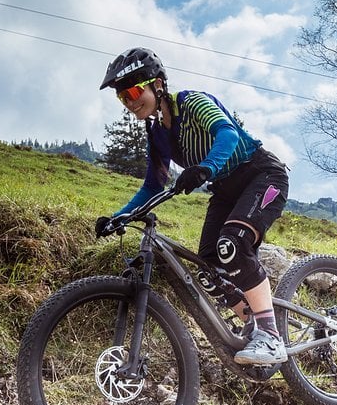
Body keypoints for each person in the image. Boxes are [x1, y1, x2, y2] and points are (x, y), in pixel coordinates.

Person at [95, 47, 290, 365]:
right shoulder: (157, 134)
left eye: (132, 91)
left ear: (157, 85)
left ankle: (270, 336)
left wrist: (204, 168)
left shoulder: (192, 102)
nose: (130, 103)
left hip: (261, 174)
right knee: (208, 265)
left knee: (232, 244)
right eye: (122, 98)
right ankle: (253, 324)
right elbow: (153, 185)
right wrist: (117, 218)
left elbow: (226, 133)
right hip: (226, 190)